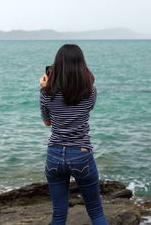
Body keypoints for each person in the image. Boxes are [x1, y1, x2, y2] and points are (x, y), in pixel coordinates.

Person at [39, 44, 109, 225]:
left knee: (59, 215)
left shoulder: (46, 93)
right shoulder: (90, 91)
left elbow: (47, 123)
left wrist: (44, 89)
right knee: (96, 213)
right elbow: (86, 110)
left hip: (54, 154)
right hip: (81, 153)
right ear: (81, 65)